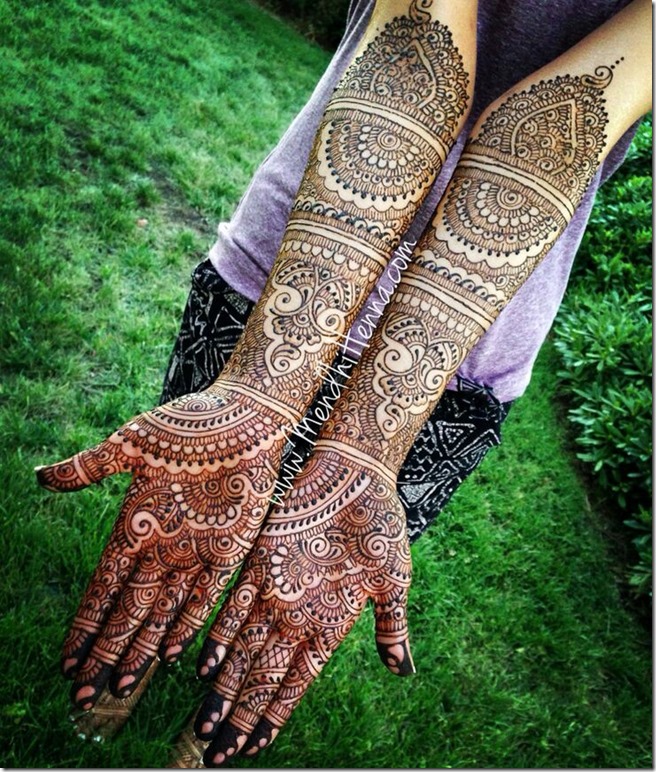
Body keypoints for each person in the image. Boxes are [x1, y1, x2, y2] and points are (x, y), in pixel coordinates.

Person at [35, 0, 651, 766]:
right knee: (193, 515)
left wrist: (361, 448)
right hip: (296, 262)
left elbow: (567, 119)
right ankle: (127, 675)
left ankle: (205, 726)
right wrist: (265, 388)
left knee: (304, 577)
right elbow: (421, 41)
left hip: (461, 357)